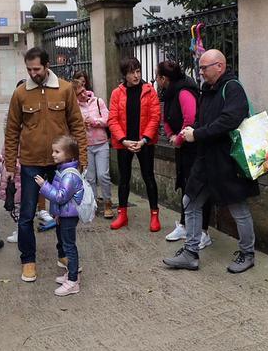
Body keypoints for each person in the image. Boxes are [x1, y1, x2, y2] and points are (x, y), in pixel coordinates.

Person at [163, 50, 260, 274]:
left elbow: (229, 120)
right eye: (200, 68)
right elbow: (204, 119)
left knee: (238, 207)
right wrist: (194, 128)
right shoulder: (207, 89)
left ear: (220, 66)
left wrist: (197, 134)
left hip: (228, 161)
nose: (201, 72)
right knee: (190, 201)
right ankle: (190, 252)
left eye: (204, 68)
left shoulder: (232, 87)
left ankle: (247, 253)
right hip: (205, 159)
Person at [3, 48, 88, 283]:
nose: (33, 73)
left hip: (61, 165)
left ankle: (64, 255)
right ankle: (28, 260)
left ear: (47, 65)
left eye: (37, 69)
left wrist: (81, 160)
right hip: (31, 163)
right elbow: (11, 132)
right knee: (27, 215)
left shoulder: (65, 89)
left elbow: (77, 126)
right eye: (29, 69)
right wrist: (10, 165)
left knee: (62, 212)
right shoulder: (20, 94)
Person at [157, 60, 213, 249]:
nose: (156, 81)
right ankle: (184, 224)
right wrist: (171, 135)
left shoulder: (184, 91)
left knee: (196, 188)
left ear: (164, 79)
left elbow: (190, 118)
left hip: (194, 147)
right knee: (185, 184)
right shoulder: (169, 93)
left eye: (158, 77)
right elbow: (165, 118)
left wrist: (178, 139)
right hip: (182, 147)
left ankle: (204, 231)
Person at [107, 56, 162, 232]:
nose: (136, 76)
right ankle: (122, 214)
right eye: (132, 73)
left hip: (144, 142)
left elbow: (155, 117)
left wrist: (144, 139)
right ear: (125, 75)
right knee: (124, 179)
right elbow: (112, 119)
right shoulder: (117, 93)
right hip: (124, 143)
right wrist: (123, 140)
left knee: (149, 177)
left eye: (138, 71)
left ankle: (154, 215)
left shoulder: (149, 91)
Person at [34, 135, 85, 297]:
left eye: (57, 151)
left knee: (69, 247)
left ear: (69, 154)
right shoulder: (63, 170)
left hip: (69, 216)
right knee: (66, 244)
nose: (53, 155)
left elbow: (61, 197)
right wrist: (56, 214)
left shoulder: (69, 175)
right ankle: (71, 274)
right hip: (64, 215)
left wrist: (44, 186)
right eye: (53, 151)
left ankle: (73, 281)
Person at [72, 71, 114, 219]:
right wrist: (81, 125)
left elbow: (108, 119)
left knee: (103, 175)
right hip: (86, 145)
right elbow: (72, 126)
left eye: (83, 90)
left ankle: (108, 202)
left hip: (101, 143)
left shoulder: (98, 101)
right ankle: (94, 203)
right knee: (90, 178)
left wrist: (94, 121)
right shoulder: (74, 107)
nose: (83, 94)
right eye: (79, 93)